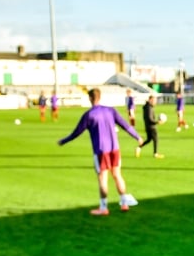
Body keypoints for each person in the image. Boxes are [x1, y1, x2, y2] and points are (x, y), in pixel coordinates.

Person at [58, 88, 143, 216]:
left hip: (101, 150)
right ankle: (124, 203)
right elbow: (125, 125)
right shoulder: (111, 110)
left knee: (103, 178)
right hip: (115, 149)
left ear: (90, 98)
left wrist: (64, 141)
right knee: (117, 175)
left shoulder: (89, 115)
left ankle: (103, 207)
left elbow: (77, 132)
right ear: (100, 97)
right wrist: (137, 136)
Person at [136, 94, 165, 159]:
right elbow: (150, 119)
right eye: (154, 100)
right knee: (156, 139)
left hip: (147, 126)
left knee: (149, 139)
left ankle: (139, 147)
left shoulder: (147, 107)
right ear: (150, 100)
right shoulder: (149, 108)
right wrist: (158, 122)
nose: (155, 102)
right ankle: (155, 153)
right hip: (151, 127)